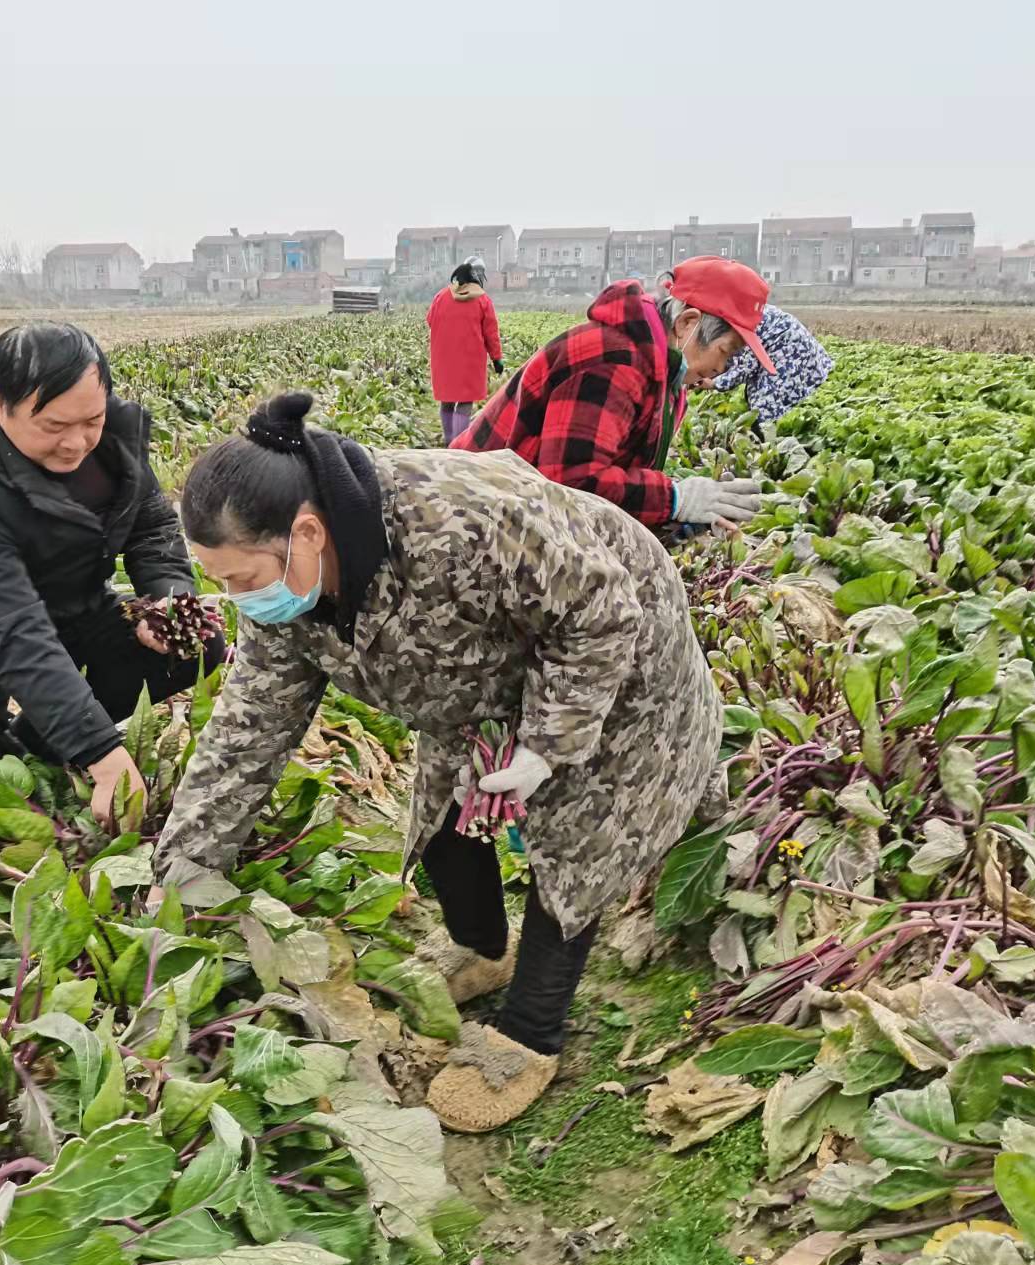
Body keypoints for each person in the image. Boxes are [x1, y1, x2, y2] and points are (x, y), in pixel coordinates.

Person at [156, 391, 721, 1134]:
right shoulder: (287, 592)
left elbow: (602, 612)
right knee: (448, 819)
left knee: (581, 835)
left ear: (305, 531)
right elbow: (246, 730)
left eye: (240, 579)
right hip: (479, 678)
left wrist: (548, 743)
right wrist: (183, 871)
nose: (237, 600)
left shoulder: (460, 523)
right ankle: (483, 946)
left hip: (609, 638)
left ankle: (532, 1029)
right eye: (221, 583)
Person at [0, 322, 226, 827]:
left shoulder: (114, 445)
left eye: (92, 420)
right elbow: (11, 626)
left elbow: (151, 529)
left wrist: (166, 602)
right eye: (54, 426)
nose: (76, 443)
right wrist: (103, 755)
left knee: (196, 639)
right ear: (0, 405)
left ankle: (37, 746)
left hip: (70, 599)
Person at [450, 255, 772, 531]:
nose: (723, 367)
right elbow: (572, 484)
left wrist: (687, 515)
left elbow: (614, 472)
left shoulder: (664, 373)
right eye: (726, 351)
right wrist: (674, 499)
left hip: (518, 503)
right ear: (688, 324)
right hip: (470, 511)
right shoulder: (614, 362)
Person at [699, 303, 834, 431]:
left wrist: (714, 383)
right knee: (767, 405)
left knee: (765, 409)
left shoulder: (741, 323)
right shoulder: (739, 314)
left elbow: (746, 366)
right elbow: (732, 358)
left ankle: (767, 443)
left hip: (789, 355)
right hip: (797, 353)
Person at [426, 255, 504, 444]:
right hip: (469, 360)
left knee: (447, 400)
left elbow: (430, 320)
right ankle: (458, 444)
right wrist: (497, 359)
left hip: (443, 358)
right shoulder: (482, 300)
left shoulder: (441, 296)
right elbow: (491, 333)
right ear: (478, 275)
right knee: (464, 402)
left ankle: (448, 439)